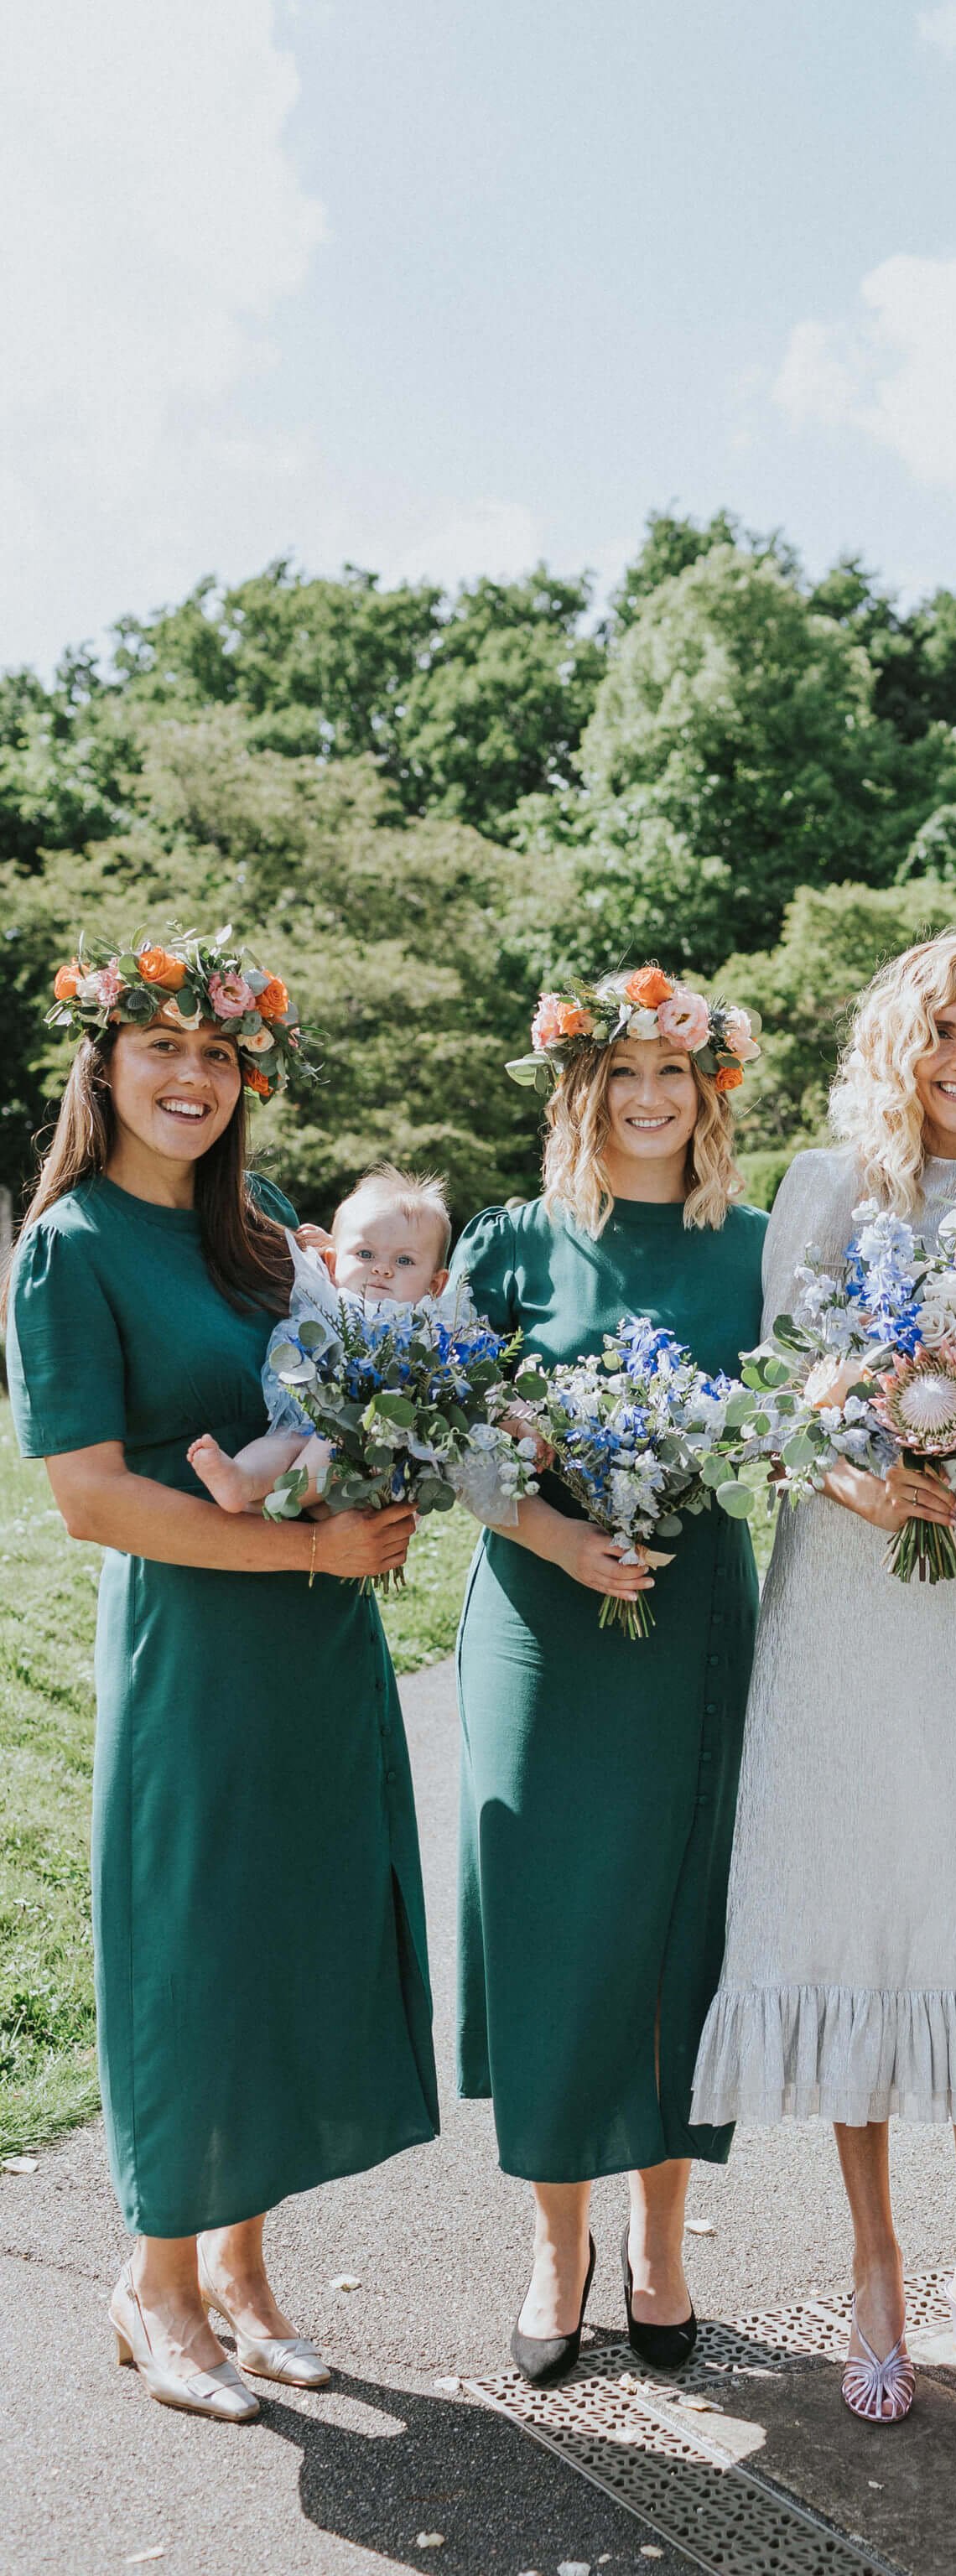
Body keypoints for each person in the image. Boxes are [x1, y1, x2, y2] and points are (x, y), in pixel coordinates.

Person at [6, 933, 433, 2423]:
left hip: (319, 1642)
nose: (190, 1077)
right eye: (160, 1049)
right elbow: (91, 1499)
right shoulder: (67, 1246)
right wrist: (308, 1556)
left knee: (293, 1942)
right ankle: (158, 2284)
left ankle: (244, 2275)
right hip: (196, 1648)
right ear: (105, 1063)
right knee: (194, 1955)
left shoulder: (257, 1225)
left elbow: (333, 1388)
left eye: (216, 1054)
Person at [693, 929, 956, 2424]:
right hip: (847, 1591)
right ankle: (873, 2265)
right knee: (852, 1903)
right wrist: (860, 1481)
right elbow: (779, 1384)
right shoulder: (822, 1184)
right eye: (946, 1033)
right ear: (897, 1040)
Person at [450, 966, 766, 2385]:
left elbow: (796, 1420)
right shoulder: (509, 1241)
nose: (647, 1097)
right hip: (539, 1611)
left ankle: (660, 2240)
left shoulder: (750, 1246)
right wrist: (562, 1536)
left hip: (692, 1609)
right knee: (551, 1916)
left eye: (671, 1073)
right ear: (579, 1088)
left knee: (674, 1916)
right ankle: (550, 2239)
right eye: (619, 1073)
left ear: (708, 1090)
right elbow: (453, 1438)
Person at [189, 1163, 452, 1514]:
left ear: (435, 1285)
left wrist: (520, 1417)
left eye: (404, 1260)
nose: (382, 1269)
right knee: (279, 1444)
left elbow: (465, 1377)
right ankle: (241, 1480)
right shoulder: (328, 1295)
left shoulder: (427, 1327)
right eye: (366, 1254)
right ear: (331, 1262)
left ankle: (280, 1502)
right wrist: (338, 1249)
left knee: (331, 1442)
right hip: (307, 1415)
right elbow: (331, 1264)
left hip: (362, 1438)